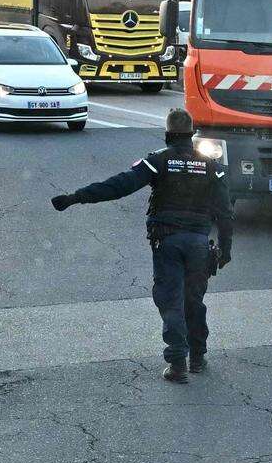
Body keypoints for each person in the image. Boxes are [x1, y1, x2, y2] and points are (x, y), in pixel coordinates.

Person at [52, 108, 233, 383]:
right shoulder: (212, 167)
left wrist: (75, 197)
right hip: (199, 244)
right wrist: (226, 248)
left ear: (167, 135)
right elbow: (225, 212)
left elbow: (118, 185)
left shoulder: (158, 161)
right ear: (192, 134)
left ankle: (177, 363)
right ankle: (197, 357)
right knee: (194, 300)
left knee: (171, 299)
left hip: (168, 242)